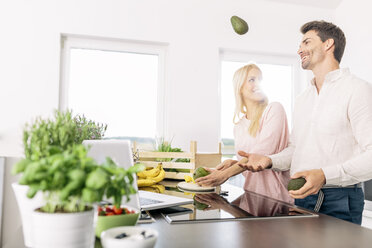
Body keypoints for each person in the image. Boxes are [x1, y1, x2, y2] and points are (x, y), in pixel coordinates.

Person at [238, 20, 372, 225]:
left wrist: (324, 175)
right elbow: (295, 150)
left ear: (328, 44)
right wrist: (269, 160)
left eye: (306, 42)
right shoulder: (303, 99)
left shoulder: (357, 90)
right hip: (301, 198)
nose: (300, 50)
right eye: (300, 45)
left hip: (339, 199)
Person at [196, 64, 293, 203]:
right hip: (251, 197)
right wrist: (233, 163)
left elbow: (261, 155)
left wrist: (224, 175)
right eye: (252, 80)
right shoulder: (239, 126)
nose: (258, 83)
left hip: (276, 200)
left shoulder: (274, 110)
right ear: (239, 87)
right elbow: (250, 168)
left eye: (260, 79)